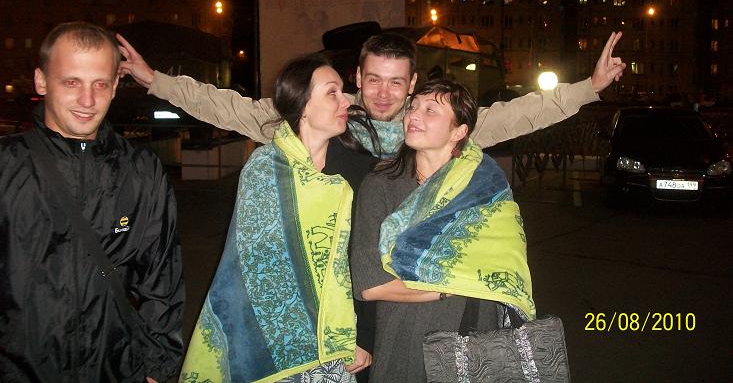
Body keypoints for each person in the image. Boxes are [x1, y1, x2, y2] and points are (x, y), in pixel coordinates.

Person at [0, 22, 184, 382]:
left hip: (115, 368)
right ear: (41, 82)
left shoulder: (141, 170)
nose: (88, 100)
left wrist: (156, 368)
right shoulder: (7, 166)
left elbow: (162, 278)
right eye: (72, 82)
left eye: (100, 84)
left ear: (114, 86)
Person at [179, 53, 375, 382]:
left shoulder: (358, 169)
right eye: (332, 92)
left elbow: (366, 256)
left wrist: (365, 334)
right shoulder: (263, 168)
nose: (346, 100)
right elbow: (246, 265)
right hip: (272, 335)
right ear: (303, 104)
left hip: (337, 340)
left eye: (342, 91)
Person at [115, 31, 625, 157]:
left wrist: (588, 88)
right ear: (357, 75)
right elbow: (232, 108)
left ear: (413, 84)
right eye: (374, 78)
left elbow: (513, 116)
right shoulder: (324, 116)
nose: (384, 93)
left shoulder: (432, 125)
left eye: (397, 81)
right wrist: (156, 81)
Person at [350, 78, 534, 382]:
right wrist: (447, 286)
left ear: (459, 131)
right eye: (413, 107)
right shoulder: (381, 184)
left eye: (430, 110)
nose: (413, 115)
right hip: (410, 338)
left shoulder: (484, 184)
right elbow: (370, 284)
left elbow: (507, 263)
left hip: (480, 331)